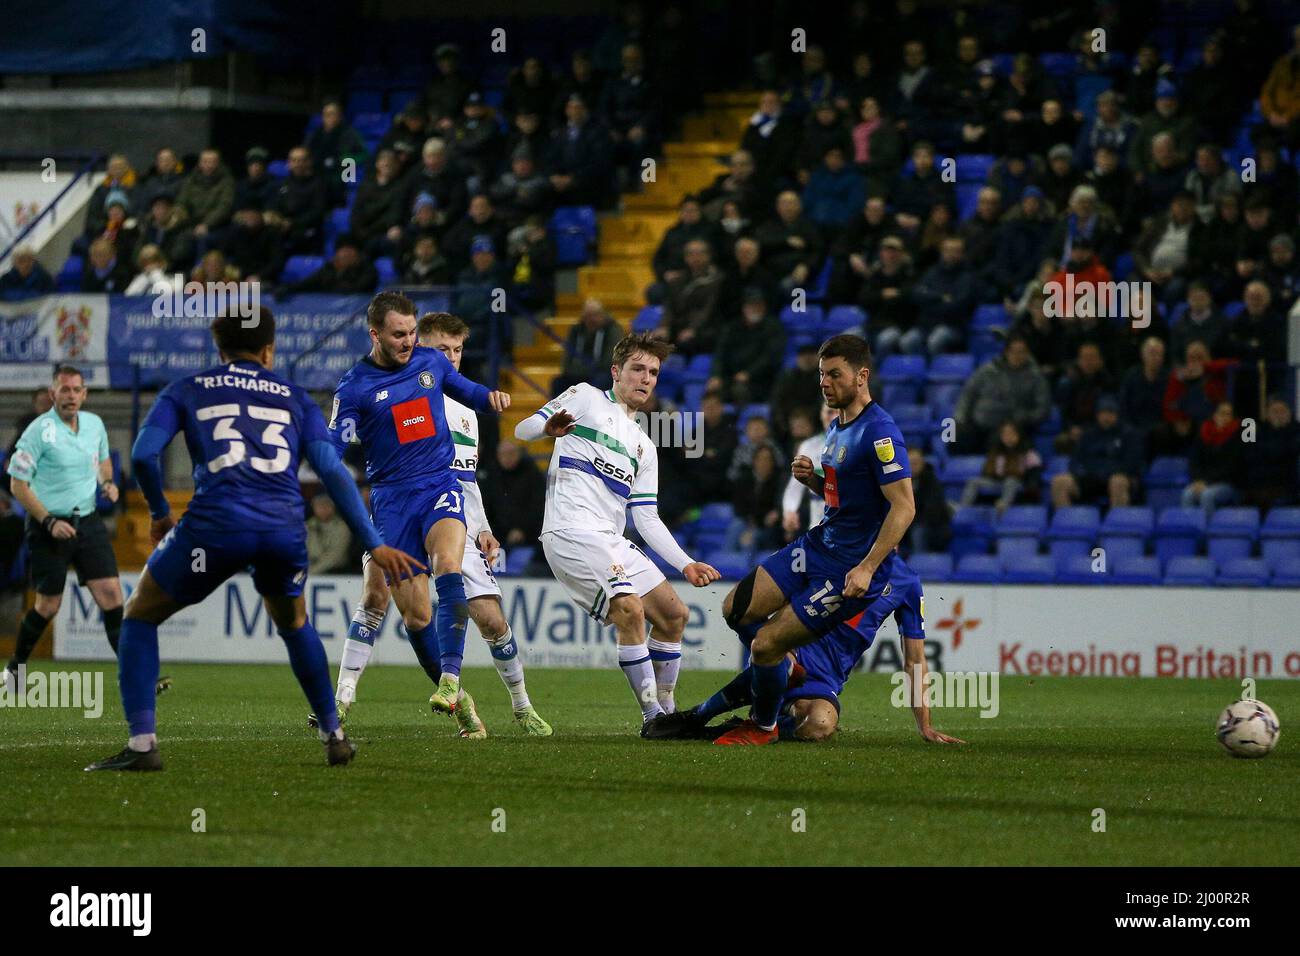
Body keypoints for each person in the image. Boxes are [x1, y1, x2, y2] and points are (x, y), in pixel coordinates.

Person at [84, 309, 424, 771]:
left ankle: (143, 745)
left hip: (214, 529)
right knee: (293, 622)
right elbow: (331, 471)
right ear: (269, 350)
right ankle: (334, 735)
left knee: (140, 615)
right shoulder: (294, 397)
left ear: (219, 350)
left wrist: (161, 513)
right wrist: (373, 541)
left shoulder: (187, 388)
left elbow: (144, 456)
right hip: (283, 529)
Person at [644, 334, 962, 747]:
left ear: (862, 376)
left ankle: (758, 723)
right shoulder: (835, 429)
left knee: (768, 648)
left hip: (845, 568)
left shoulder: (881, 433)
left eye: (834, 374)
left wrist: (866, 566)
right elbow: (844, 501)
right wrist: (814, 481)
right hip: (816, 546)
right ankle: (781, 672)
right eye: (821, 375)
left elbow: (904, 507)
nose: (824, 383)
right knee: (734, 609)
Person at [316, 314, 551, 737]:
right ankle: (345, 696)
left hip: (450, 508)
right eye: (443, 349)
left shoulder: (466, 414)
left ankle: (522, 706)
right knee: (382, 597)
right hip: (398, 504)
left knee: (492, 619)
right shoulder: (398, 387)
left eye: (458, 350)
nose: (452, 358)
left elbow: (467, 476)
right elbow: (347, 438)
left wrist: (481, 527)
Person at [514, 333, 721, 725]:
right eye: (637, 369)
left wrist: (686, 563)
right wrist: (546, 428)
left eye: (653, 372)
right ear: (616, 372)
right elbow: (522, 430)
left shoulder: (644, 445)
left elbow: (646, 518)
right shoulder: (585, 397)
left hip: (610, 539)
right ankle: (652, 717)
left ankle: (668, 710)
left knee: (674, 615)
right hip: (570, 531)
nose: (645, 378)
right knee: (629, 610)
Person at [4, 367, 130, 688]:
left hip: (87, 522)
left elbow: (102, 461)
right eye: (65, 390)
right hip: (47, 526)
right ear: (53, 394)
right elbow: (18, 485)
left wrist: (108, 483)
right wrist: (48, 521)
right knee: (48, 605)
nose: (71, 396)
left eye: (76, 390)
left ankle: (134, 674)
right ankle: (15, 669)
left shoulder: (95, 425)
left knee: (113, 596)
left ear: (84, 394)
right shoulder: (37, 431)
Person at [1050, 396, 1143, 508]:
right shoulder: (1088, 435)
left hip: (1117, 478)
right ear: (1097, 415)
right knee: (1059, 481)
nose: (1106, 417)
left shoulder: (1129, 434)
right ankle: (1066, 522)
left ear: (1117, 414)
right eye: (1103, 413)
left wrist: (1106, 471)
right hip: (1090, 479)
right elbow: (1075, 461)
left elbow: (1131, 465)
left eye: (1110, 413)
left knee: (1117, 481)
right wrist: (1083, 473)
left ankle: (1118, 522)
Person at [960, 421, 1044, 512]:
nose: (1008, 437)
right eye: (1004, 434)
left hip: (1018, 482)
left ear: (1019, 435)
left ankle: (1003, 505)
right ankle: (963, 508)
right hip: (996, 481)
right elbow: (987, 471)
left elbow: (1034, 472)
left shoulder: (1027, 453)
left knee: (1011, 480)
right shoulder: (996, 452)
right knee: (973, 481)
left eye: (1011, 433)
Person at [1181, 401, 1243, 514]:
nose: (1224, 417)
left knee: (1207, 495)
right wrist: (1197, 480)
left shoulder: (1238, 436)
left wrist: (1207, 482)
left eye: (1228, 414)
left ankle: (1207, 529)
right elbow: (1195, 461)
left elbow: (1232, 467)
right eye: (1221, 413)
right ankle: (1190, 528)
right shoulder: (1204, 433)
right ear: (1214, 415)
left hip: (1227, 483)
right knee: (1187, 494)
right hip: (1203, 482)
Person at [782, 404, 835, 539]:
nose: (833, 417)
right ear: (821, 416)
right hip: (818, 530)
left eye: (837, 412)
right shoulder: (809, 447)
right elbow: (795, 487)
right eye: (829, 412)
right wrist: (790, 511)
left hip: (852, 531)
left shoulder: (860, 444)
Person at [305, 493, 352, 575]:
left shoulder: (342, 527)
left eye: (327, 504)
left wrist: (310, 572)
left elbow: (334, 557)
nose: (323, 508)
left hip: (334, 572)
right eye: (319, 505)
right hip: (308, 568)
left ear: (333, 506)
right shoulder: (307, 526)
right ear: (313, 507)